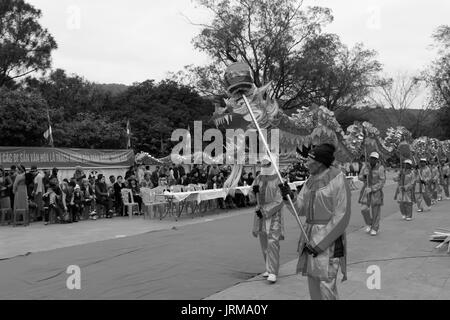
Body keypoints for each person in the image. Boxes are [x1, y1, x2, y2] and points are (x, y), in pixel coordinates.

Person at [279, 143, 351, 300]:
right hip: (309, 236)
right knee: (313, 282)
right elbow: (301, 209)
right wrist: (289, 198)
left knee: (327, 286)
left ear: (318, 162)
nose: (306, 163)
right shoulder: (310, 181)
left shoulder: (338, 178)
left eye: (309, 160)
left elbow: (342, 215)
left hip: (329, 240)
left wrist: (319, 242)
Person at [251, 154, 285, 283]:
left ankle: (273, 271)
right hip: (260, 213)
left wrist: (265, 211)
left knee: (273, 243)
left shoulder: (279, 179)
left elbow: (279, 199)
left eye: (267, 163)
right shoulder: (258, 178)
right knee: (264, 242)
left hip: (273, 214)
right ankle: (268, 267)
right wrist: (253, 192)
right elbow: (252, 195)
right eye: (263, 163)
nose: (264, 166)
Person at [358, 152, 386, 236]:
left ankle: (375, 228)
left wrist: (373, 188)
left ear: (377, 160)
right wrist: (364, 176)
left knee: (375, 212)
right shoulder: (365, 166)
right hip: (366, 190)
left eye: (374, 158)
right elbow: (360, 177)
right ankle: (369, 223)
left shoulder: (380, 168)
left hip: (376, 191)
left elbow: (382, 181)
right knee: (363, 209)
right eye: (371, 158)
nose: (372, 160)